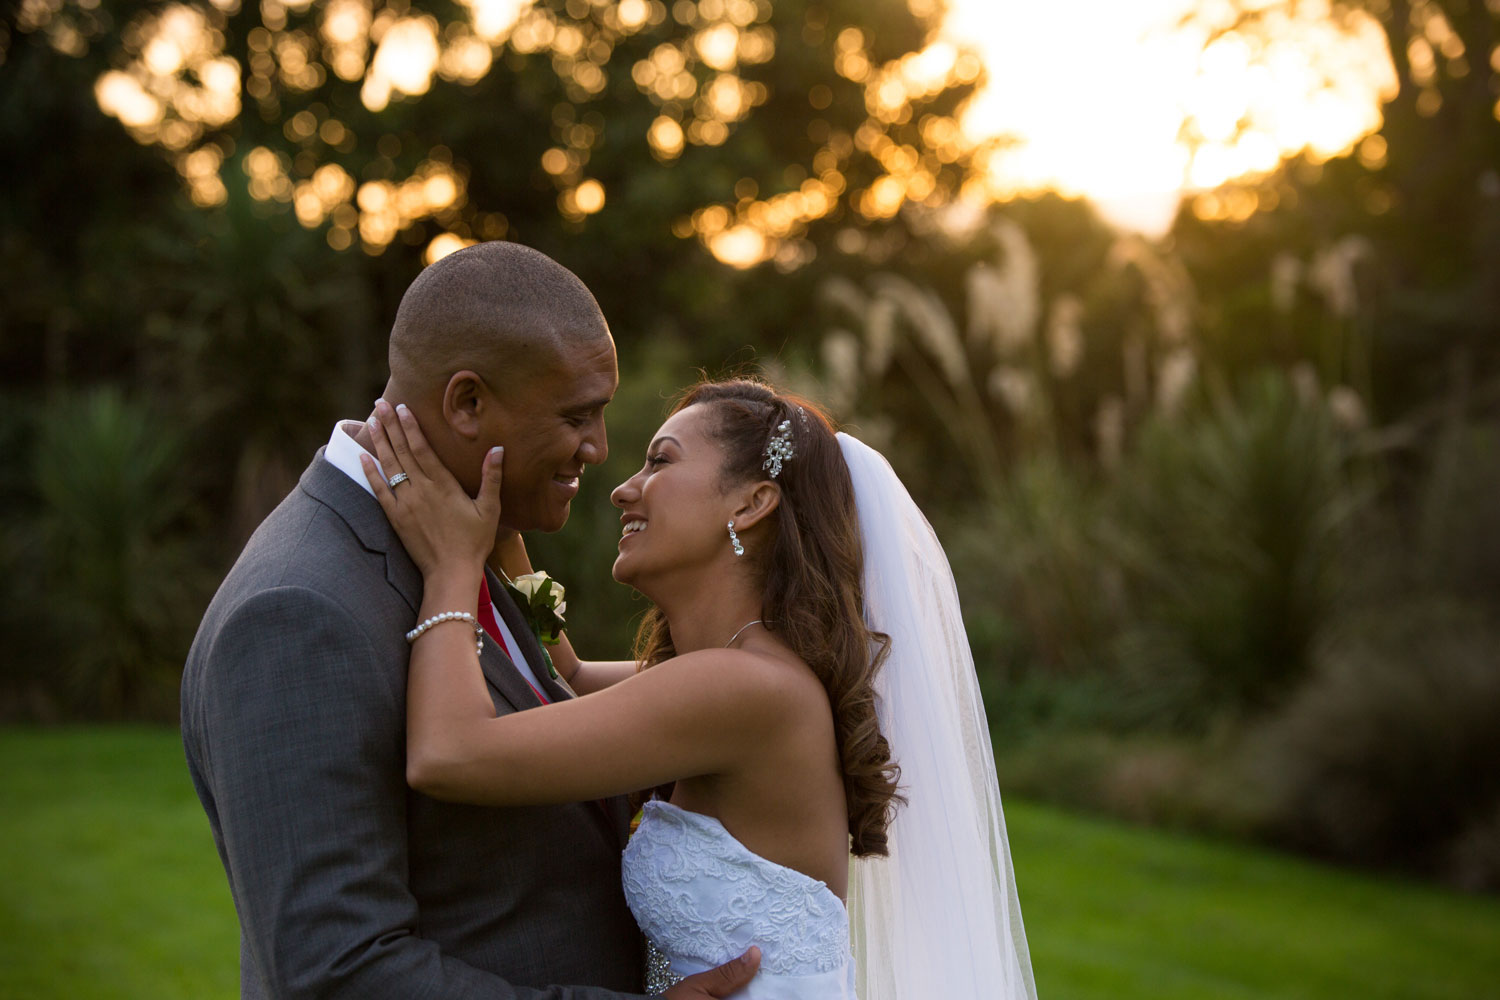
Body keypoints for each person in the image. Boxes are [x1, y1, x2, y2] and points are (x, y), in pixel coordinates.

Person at [180, 242, 756, 999]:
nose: (600, 449)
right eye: (577, 415)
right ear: (467, 404)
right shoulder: (298, 612)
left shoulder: (455, 533)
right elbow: (336, 973)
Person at [363, 377, 1038, 998]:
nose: (624, 488)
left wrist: (451, 565)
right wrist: (505, 520)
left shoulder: (744, 689)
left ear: (750, 503)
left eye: (659, 461)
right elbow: (565, 679)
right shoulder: (740, 675)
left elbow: (447, 754)